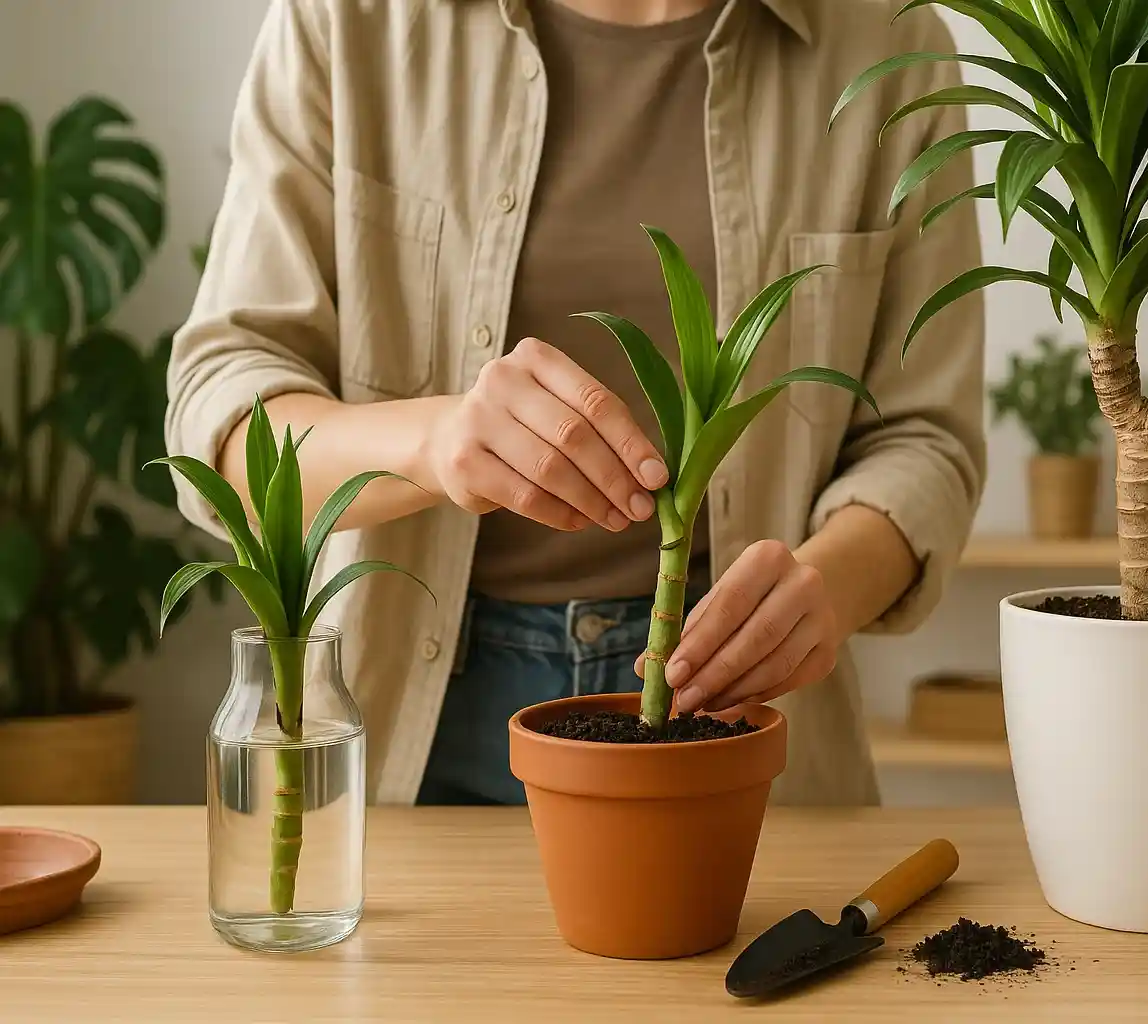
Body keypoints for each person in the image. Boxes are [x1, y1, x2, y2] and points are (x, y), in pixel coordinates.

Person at [166, 0, 985, 807]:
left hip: (735, 718)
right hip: (410, 731)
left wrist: (830, 586)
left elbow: (926, 440)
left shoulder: (888, 46)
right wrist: (433, 440)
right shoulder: (349, 23)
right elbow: (225, 414)